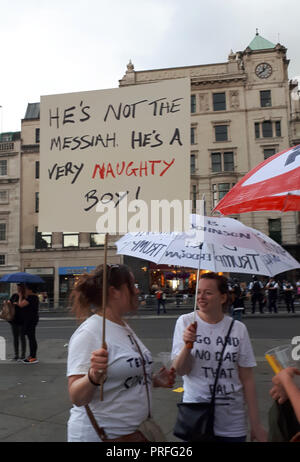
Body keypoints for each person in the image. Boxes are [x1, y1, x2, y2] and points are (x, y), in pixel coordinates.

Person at [67, 264, 176, 442]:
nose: (137, 291)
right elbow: (76, 396)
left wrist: (153, 380)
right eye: (132, 286)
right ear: (114, 292)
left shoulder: (123, 326)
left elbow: (121, 378)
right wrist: (93, 376)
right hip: (99, 436)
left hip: (134, 434)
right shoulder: (89, 333)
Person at [171, 272, 267, 442]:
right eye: (198, 291)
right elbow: (180, 370)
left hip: (232, 423)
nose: (201, 297)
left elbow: (247, 379)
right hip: (196, 419)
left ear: (223, 298)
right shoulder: (185, 322)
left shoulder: (238, 328)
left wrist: (256, 424)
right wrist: (187, 345)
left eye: (208, 292)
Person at [18, 283, 39, 364]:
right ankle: (32, 356)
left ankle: (33, 357)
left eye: (26, 289)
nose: (25, 290)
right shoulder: (33, 297)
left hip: (31, 320)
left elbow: (21, 305)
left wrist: (20, 296)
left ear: (30, 290)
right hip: (31, 319)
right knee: (31, 338)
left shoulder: (32, 297)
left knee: (31, 338)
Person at [9, 284, 26, 361]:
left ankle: (23, 355)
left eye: (20, 288)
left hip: (22, 321)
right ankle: (16, 354)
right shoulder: (14, 295)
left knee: (22, 338)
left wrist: (20, 297)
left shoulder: (25, 297)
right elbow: (10, 303)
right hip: (14, 320)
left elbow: (23, 306)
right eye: (18, 288)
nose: (18, 289)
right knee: (15, 338)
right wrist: (9, 303)